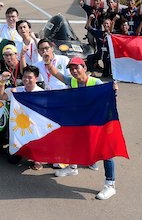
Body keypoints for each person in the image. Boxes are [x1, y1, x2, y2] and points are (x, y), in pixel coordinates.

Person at [44, 56, 119, 200]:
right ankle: (72, 168)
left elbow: (110, 96)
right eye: (71, 69)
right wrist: (47, 62)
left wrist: (114, 90)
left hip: (99, 121)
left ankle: (110, 185)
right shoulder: (71, 80)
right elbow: (55, 73)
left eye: (76, 68)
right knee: (74, 143)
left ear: (84, 68)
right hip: (80, 120)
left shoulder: (95, 82)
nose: (74, 71)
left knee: (106, 151)